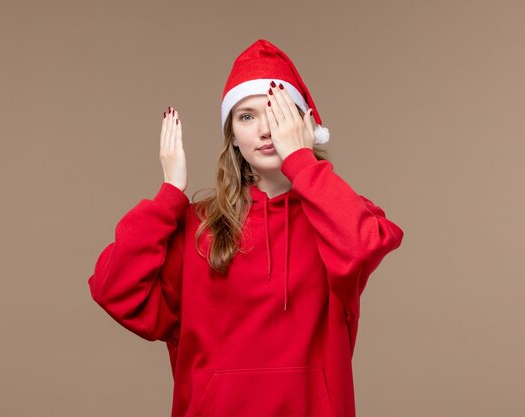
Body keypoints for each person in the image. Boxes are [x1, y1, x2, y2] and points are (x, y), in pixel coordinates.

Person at [88, 39, 404, 417]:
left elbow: (364, 245)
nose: (265, 130)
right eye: (247, 116)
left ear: (306, 124)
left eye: (277, 112)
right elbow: (113, 289)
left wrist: (302, 161)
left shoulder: (337, 217)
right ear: (234, 137)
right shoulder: (197, 226)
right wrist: (170, 194)